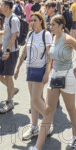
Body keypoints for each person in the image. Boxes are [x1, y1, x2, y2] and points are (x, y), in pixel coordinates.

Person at [21, 14, 76, 150]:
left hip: (68, 76)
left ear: (61, 26)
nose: (50, 27)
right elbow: (50, 56)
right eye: (50, 24)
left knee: (70, 108)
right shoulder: (52, 37)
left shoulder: (68, 39)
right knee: (49, 110)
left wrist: (75, 68)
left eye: (53, 25)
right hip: (55, 75)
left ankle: (75, 137)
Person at [14, 11, 52, 141]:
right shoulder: (30, 34)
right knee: (33, 99)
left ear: (41, 21)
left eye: (35, 20)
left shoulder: (46, 34)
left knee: (36, 99)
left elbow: (49, 55)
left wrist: (47, 73)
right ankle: (34, 126)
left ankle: (48, 122)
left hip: (40, 70)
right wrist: (18, 67)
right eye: (31, 20)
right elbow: (24, 50)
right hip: (29, 68)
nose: (33, 22)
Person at [0, 0, 21, 114]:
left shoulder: (14, 19)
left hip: (11, 52)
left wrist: (8, 50)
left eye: (2, 5)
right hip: (4, 50)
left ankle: (9, 102)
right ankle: (13, 89)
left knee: (8, 76)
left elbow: (14, 36)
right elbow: (6, 35)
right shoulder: (6, 18)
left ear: (7, 7)